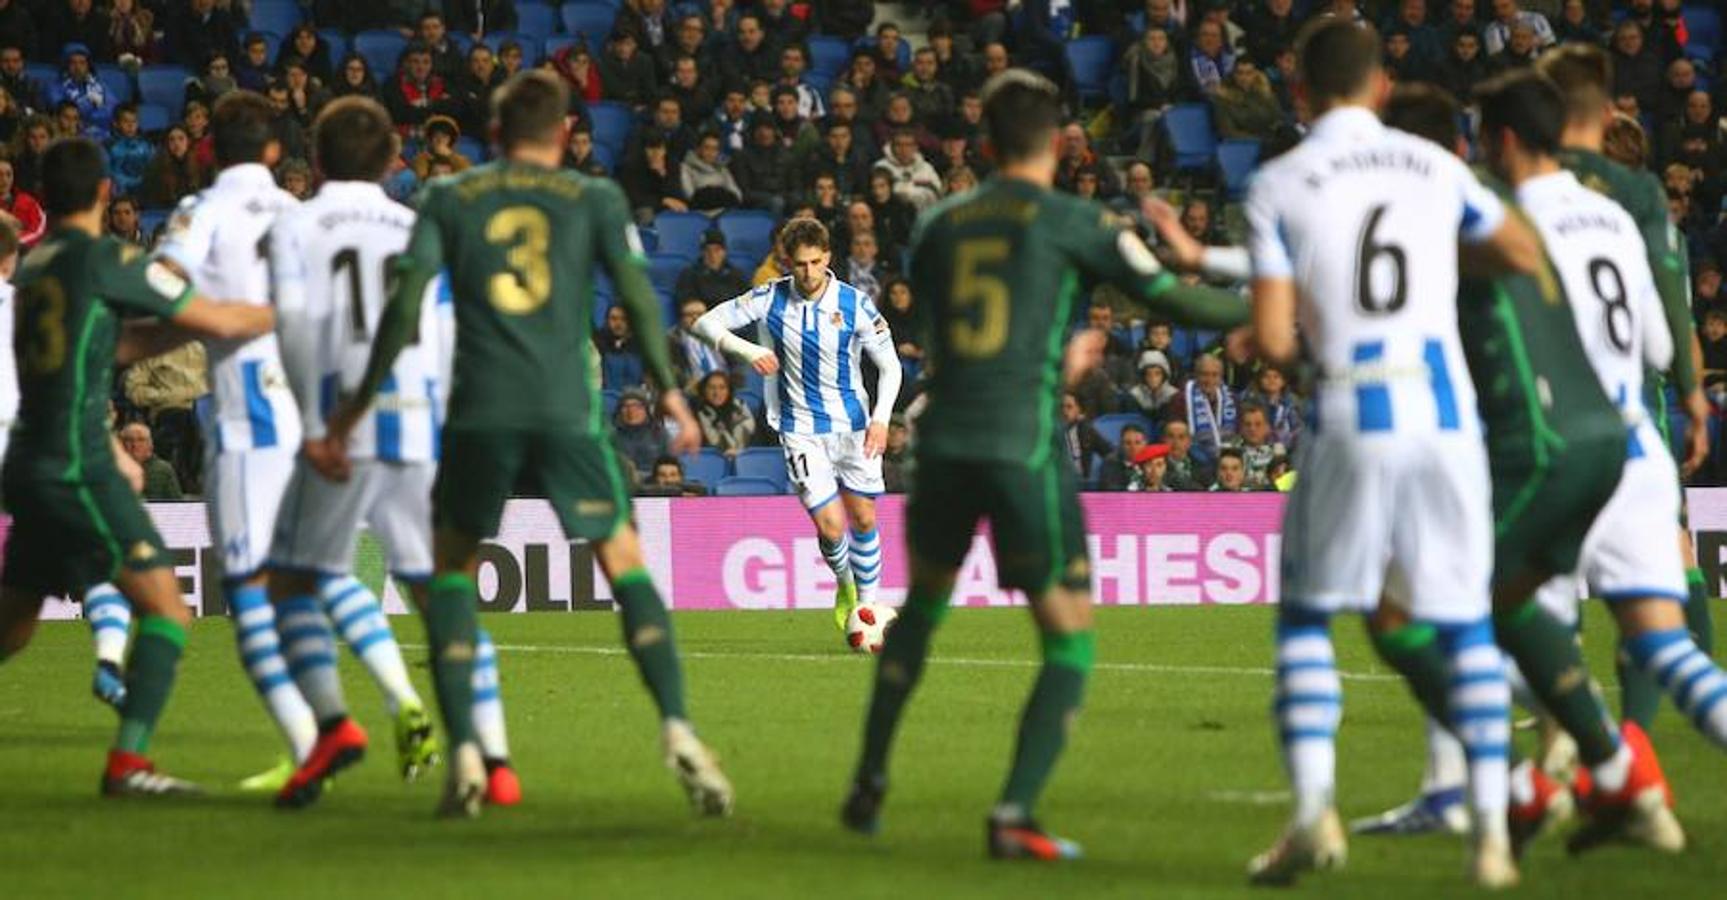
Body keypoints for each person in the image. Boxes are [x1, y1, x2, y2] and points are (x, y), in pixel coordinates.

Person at [839, 69, 1251, 862]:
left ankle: (868, 779)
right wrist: (1271, 307)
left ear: (983, 145)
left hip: (944, 443)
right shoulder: (1076, 220)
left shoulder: (938, 224)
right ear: (1062, 145)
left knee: (920, 610)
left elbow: (951, 336)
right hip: (1021, 448)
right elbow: (1175, 300)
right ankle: (1013, 811)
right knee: (1067, 637)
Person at [319, 70, 731, 819]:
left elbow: (405, 307)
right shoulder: (596, 198)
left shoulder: (448, 198)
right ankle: (677, 728)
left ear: (496, 134)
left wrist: (352, 411)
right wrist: (671, 390)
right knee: (623, 562)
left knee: (448, 572)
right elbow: (639, 298)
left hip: (478, 412)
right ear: (568, 130)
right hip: (567, 412)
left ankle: (470, 754)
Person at [1240, 20, 1544, 888]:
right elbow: (1520, 251)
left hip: (1350, 406)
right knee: (1464, 624)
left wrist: (1314, 347)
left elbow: (1268, 338)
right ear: (1380, 88)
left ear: (1300, 92)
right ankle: (1489, 837)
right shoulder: (1436, 166)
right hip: (1446, 415)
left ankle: (1309, 819)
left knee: (1305, 616)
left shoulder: (1278, 181)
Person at [261, 95, 531, 809]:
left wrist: (316, 423)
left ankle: (331, 724)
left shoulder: (295, 225)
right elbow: (444, 336)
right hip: (418, 429)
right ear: (390, 161)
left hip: (343, 428)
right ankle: (491, 756)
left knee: (289, 579)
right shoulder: (419, 225)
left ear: (316, 158)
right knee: (439, 591)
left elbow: (290, 325)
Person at [0, 136, 276, 796]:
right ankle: (130, 763)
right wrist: (293, 309)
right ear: (103, 194)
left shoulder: (35, 270)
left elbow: (118, 343)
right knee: (166, 611)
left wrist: (190, 328)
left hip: (29, 461)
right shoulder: (108, 257)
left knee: (11, 627)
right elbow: (215, 313)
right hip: (77, 464)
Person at [1540, 44, 1718, 733]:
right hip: (1640, 400)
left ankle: (1562, 697)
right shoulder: (1651, 225)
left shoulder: (1566, 213)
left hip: (1580, 404)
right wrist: (1694, 397)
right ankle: (1685, 675)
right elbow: (1668, 330)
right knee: (1659, 541)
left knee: (1546, 548)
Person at [694, 219, 900, 630]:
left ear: (828, 258)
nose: (808, 272)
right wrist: (746, 349)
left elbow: (890, 367)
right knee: (831, 526)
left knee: (863, 518)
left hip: (855, 427)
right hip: (800, 430)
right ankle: (845, 585)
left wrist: (881, 420)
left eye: (815, 262)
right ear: (787, 261)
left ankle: (868, 609)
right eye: (800, 264)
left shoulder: (855, 303)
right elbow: (704, 324)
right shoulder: (769, 298)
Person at [675, 228, 749, 309]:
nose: (712, 255)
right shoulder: (689, 275)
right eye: (707, 250)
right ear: (702, 252)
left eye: (717, 250)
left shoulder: (736, 274)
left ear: (724, 252)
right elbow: (687, 303)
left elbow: (747, 301)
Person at [694, 370, 753, 457]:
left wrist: (739, 452)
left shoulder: (739, 406)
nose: (717, 393)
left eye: (722, 387)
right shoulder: (697, 412)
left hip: (745, 459)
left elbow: (752, 436)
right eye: (711, 387)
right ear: (704, 390)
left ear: (729, 390)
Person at [117, 422, 181, 499]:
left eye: (141, 440)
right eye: (129, 440)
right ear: (121, 444)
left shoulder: (163, 470)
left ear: (150, 444)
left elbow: (177, 503)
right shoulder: (113, 469)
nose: (135, 445)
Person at [1096, 424, 1149, 491]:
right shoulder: (1110, 463)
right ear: (1121, 444)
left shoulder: (1152, 462)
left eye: (1138, 443)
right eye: (1128, 443)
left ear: (1145, 444)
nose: (1133, 447)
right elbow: (1112, 492)